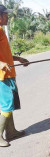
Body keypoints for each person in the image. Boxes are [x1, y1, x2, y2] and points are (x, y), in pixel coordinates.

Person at [0, 4, 29, 147]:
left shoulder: (1, 31)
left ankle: (11, 132)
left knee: (9, 103)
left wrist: (18, 59)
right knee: (7, 104)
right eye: (5, 14)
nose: (7, 16)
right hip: (2, 76)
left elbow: (4, 54)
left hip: (8, 73)